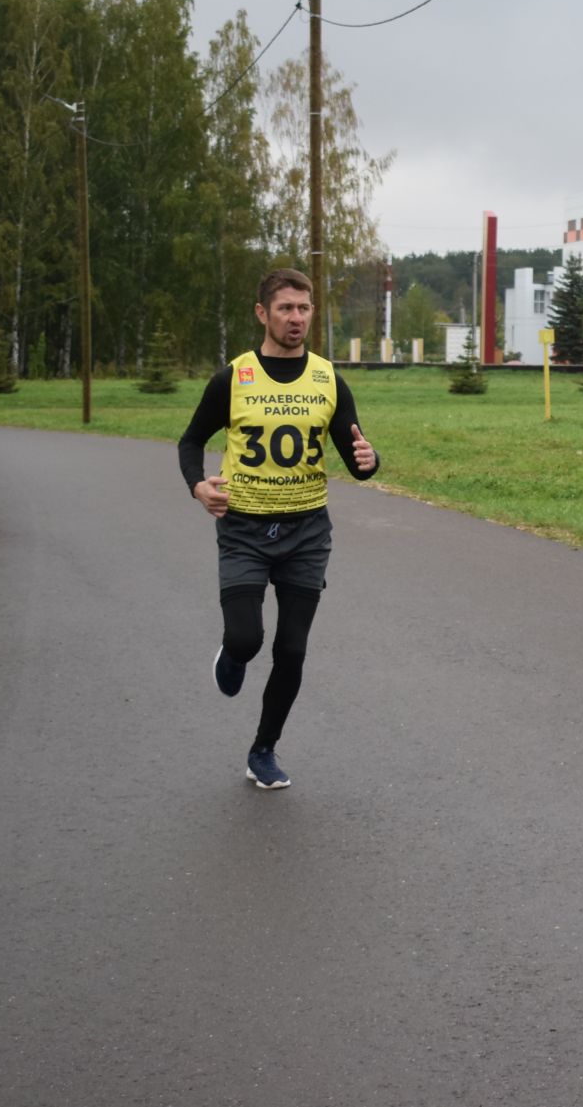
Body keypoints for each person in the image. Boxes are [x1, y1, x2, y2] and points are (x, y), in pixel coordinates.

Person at [177, 267, 379, 789]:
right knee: (247, 637)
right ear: (262, 313)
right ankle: (234, 651)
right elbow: (190, 441)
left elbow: (356, 459)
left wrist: (369, 458)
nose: (296, 318)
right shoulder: (233, 378)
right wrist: (198, 485)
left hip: (307, 532)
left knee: (291, 650)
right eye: (286, 308)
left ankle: (263, 750)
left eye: (304, 308)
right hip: (243, 527)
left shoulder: (328, 379)